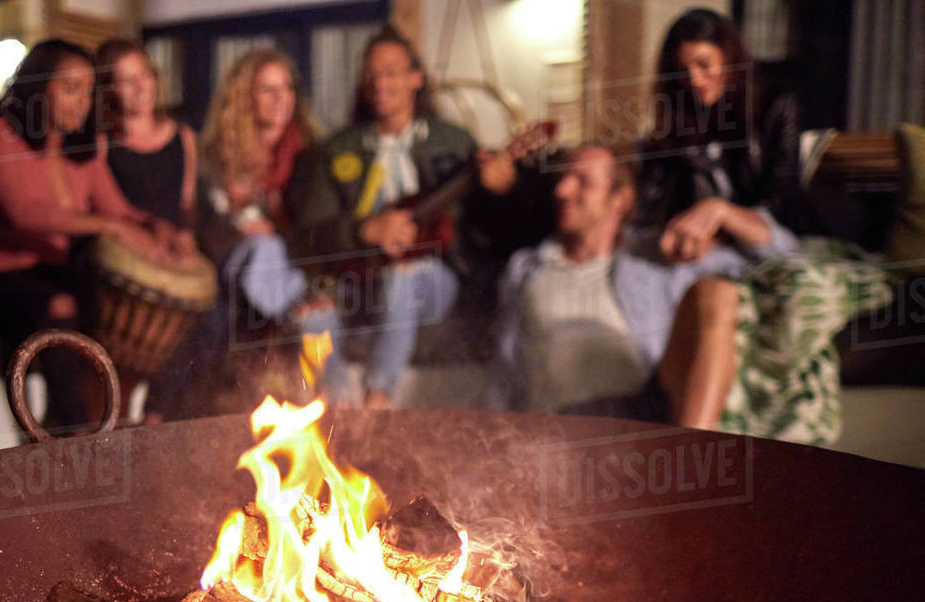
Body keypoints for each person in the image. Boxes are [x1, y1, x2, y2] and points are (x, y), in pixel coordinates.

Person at [490, 144, 800, 430]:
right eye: (562, 179)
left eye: (582, 181)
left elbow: (786, 260)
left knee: (717, 295)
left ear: (620, 199)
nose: (562, 190)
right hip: (557, 425)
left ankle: (689, 464)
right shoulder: (525, 270)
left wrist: (722, 212)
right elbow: (505, 372)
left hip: (644, 415)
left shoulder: (660, 259)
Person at [290, 25, 518, 408]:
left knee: (402, 276)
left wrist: (503, 189)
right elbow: (312, 236)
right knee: (311, 322)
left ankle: (378, 399)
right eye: (372, 73)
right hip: (358, 282)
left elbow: (491, 228)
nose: (380, 82)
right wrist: (363, 230)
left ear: (416, 78)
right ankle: (341, 418)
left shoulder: (455, 141)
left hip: (432, 282)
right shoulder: (336, 150)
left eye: (391, 71)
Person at [0, 39, 175, 433]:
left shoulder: (84, 148)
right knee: (61, 305)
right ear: (38, 86)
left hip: (58, 270)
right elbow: (25, 215)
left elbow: (118, 211)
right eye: (69, 88)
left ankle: (133, 416)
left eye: (87, 90)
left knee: (129, 301)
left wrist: (156, 228)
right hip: (4, 277)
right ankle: (76, 433)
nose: (81, 100)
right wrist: (111, 226)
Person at [146, 47, 336, 419]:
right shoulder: (216, 160)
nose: (281, 99)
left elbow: (321, 235)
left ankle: (337, 420)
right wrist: (236, 222)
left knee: (303, 310)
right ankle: (167, 417)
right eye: (267, 89)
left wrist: (277, 226)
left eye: (286, 88)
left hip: (290, 275)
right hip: (233, 270)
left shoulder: (311, 157)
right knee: (258, 252)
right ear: (244, 96)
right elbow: (204, 234)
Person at [637, 7, 808, 262]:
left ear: (729, 59)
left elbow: (781, 199)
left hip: (761, 236)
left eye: (704, 65)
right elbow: (655, 204)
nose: (694, 79)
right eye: (683, 70)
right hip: (701, 246)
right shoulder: (680, 115)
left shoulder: (776, 104)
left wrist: (721, 222)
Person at [94, 38, 197, 251]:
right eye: (127, 80)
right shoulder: (103, 143)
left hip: (172, 247)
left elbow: (186, 204)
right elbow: (100, 207)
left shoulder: (183, 135)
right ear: (108, 89)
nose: (141, 87)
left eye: (145, 75)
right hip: (125, 248)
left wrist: (186, 231)